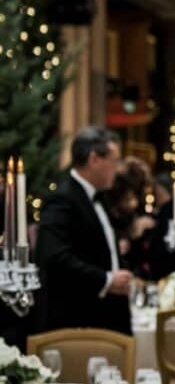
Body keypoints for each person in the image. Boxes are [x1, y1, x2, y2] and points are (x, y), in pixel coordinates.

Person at [35, 127, 134, 335]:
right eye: (114, 161)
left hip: (108, 315)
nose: (117, 169)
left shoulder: (98, 197)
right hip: (79, 319)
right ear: (94, 159)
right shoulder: (62, 199)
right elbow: (55, 257)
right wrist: (106, 280)